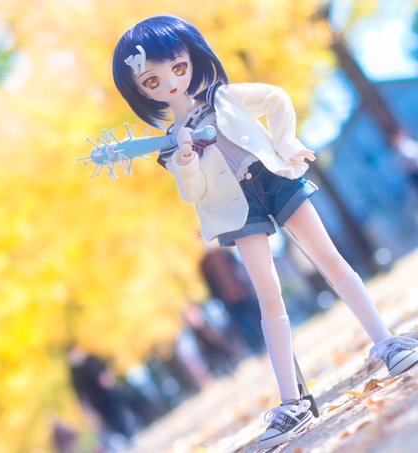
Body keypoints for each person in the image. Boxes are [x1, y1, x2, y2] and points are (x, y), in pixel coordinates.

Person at [111, 15, 418, 449]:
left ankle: (386, 342)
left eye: (178, 68)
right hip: (238, 209)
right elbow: (193, 193)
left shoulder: (223, 96)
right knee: (267, 293)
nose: (171, 83)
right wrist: (185, 159)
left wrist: (286, 143)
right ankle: (292, 401)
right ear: (140, 92)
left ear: (192, 59)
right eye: (152, 82)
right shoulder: (170, 143)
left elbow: (275, 98)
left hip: (274, 178)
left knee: (329, 258)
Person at [200, 244, 264, 354]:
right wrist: (219, 299)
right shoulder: (205, 263)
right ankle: (257, 347)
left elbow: (239, 269)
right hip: (228, 300)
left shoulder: (225, 253)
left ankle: (267, 339)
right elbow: (210, 285)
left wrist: (247, 285)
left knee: (258, 315)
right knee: (243, 325)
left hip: (243, 292)